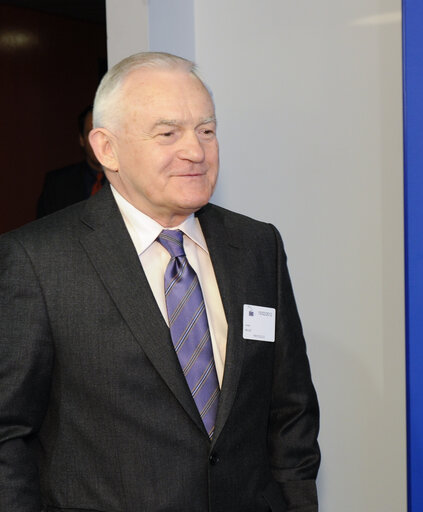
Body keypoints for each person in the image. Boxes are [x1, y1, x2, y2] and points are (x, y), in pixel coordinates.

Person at [0, 52, 320, 511]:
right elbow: (7, 432)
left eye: (206, 130)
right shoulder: (37, 260)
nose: (196, 150)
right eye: (168, 133)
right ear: (106, 148)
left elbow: (290, 410)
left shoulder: (255, 246)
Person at [36, 105, 106, 218]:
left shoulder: (131, 182)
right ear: (81, 140)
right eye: (91, 133)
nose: (99, 141)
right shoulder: (57, 184)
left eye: (103, 133)